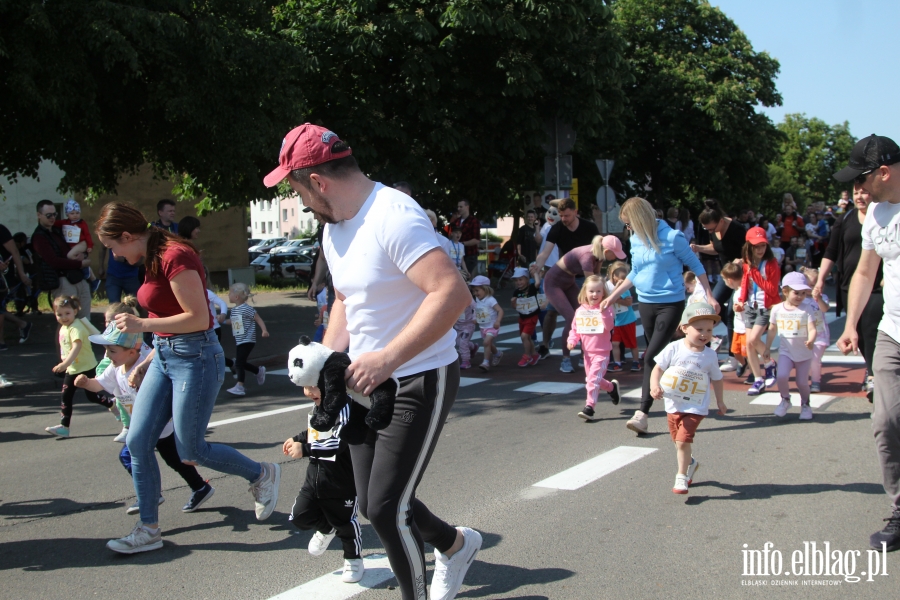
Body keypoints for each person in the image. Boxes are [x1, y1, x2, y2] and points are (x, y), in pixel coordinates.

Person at [265, 122, 481, 600]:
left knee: (385, 507)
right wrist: (323, 363)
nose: (298, 200)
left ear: (316, 181)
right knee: (369, 501)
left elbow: (451, 293)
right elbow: (345, 298)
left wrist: (387, 356)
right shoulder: (334, 227)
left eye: (295, 187)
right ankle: (456, 545)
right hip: (364, 384)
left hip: (420, 376)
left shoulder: (393, 215)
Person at [96, 202, 280, 554]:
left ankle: (261, 473)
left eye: (113, 247)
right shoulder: (151, 255)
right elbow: (165, 314)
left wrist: (140, 325)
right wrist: (147, 361)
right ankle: (148, 529)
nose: (115, 256)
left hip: (195, 357)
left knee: (190, 449)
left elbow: (198, 318)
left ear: (127, 235)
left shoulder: (174, 255)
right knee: (137, 441)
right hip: (166, 356)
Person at [834, 134, 900, 552]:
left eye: (861, 180)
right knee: (886, 423)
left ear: (884, 172)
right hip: (892, 332)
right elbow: (864, 272)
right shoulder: (875, 213)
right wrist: (851, 324)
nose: (856, 189)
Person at [75, 319, 215, 514]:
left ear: (132, 352)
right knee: (174, 460)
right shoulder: (115, 368)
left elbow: (168, 392)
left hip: (158, 425)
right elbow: (98, 385)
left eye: (112, 351)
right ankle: (200, 487)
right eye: (107, 350)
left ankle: (151, 494)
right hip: (146, 425)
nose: (107, 355)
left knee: (132, 455)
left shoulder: (147, 368)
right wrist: (85, 383)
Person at [602, 197, 716, 436]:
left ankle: (642, 413)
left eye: (629, 223)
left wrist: (709, 294)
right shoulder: (635, 239)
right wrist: (613, 296)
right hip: (645, 302)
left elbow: (696, 265)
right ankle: (678, 391)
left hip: (670, 303)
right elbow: (636, 271)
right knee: (659, 358)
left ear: (640, 219)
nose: (628, 229)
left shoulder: (673, 237)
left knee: (650, 357)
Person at [285, 385, 365, 584]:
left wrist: (304, 448)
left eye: (313, 387)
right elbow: (315, 431)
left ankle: (353, 560)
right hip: (315, 479)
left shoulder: (345, 406)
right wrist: (297, 438)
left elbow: (339, 441)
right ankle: (326, 527)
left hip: (342, 481)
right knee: (299, 516)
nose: (309, 392)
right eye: (305, 386)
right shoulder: (320, 406)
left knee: (345, 523)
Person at [650, 302, 726, 495]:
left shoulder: (709, 355)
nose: (705, 334)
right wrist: (654, 386)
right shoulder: (674, 349)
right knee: (677, 442)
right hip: (673, 403)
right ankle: (691, 463)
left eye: (709, 330)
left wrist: (720, 401)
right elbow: (657, 368)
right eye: (699, 329)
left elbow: (717, 379)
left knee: (683, 441)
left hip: (696, 406)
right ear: (684, 328)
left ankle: (681, 476)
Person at [814, 184, 883, 399]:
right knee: (859, 332)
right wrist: (820, 280)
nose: (860, 197)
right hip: (848, 285)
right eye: (856, 193)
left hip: (877, 285)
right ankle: (872, 368)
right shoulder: (845, 220)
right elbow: (832, 251)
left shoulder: (883, 216)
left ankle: (873, 376)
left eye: (864, 192)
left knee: (870, 328)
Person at [535, 234, 626, 373]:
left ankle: (586, 354)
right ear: (607, 251)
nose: (616, 258)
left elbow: (597, 280)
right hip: (553, 284)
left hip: (568, 282)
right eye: (615, 254)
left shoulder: (599, 256)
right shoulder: (587, 256)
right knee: (573, 318)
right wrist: (610, 296)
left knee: (586, 315)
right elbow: (592, 285)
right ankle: (565, 358)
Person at [44, 296, 116, 437]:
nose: (64, 317)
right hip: (73, 369)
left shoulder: (76, 327)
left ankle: (112, 404)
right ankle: (64, 427)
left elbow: (77, 347)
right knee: (66, 397)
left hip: (86, 368)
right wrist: (65, 363)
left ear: (75, 311)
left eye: (67, 313)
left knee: (92, 396)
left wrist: (64, 364)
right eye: (59, 314)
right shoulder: (64, 327)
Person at [733, 227, 781, 396]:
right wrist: (741, 301)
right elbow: (746, 282)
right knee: (749, 345)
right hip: (750, 307)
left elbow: (772, 290)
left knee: (754, 339)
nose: (760, 249)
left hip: (766, 307)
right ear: (749, 246)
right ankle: (758, 379)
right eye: (756, 246)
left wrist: (755, 273)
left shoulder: (771, 263)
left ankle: (769, 362)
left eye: (763, 246)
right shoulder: (747, 263)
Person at [694, 198, 747, 348]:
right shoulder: (714, 230)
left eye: (711, 229)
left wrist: (741, 260)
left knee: (731, 312)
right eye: (707, 230)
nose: (710, 232)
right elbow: (717, 248)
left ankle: (735, 352)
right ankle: (735, 342)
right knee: (714, 304)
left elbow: (752, 252)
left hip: (741, 276)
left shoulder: (737, 229)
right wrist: (699, 248)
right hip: (727, 275)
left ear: (721, 221)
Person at [764, 272, 817, 420]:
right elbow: (772, 329)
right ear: (785, 291)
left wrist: (811, 340)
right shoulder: (777, 309)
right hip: (786, 351)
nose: (800, 296)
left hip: (804, 353)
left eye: (803, 293)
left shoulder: (807, 308)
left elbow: (813, 328)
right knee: (781, 376)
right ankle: (785, 399)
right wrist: (767, 347)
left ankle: (805, 404)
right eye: (796, 293)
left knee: (802, 382)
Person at [567, 275, 619, 420]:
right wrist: (572, 340)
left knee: (592, 379)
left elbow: (609, 326)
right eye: (591, 291)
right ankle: (611, 388)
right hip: (587, 353)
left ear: (603, 293)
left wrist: (602, 312)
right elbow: (575, 329)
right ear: (585, 292)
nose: (594, 295)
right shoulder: (580, 310)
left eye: (598, 291)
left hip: (602, 352)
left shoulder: (606, 308)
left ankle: (589, 407)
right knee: (592, 378)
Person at [32, 200, 92, 319]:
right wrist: (79, 263)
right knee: (67, 321)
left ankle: (84, 338)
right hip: (61, 281)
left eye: (55, 214)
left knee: (85, 320)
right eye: (48, 215)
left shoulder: (58, 230)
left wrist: (83, 254)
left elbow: (74, 246)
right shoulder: (39, 237)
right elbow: (54, 261)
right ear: (39, 215)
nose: (52, 218)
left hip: (77, 277)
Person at [224, 282, 269, 396]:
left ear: (237, 297)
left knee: (238, 363)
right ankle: (258, 371)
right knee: (241, 362)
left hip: (247, 339)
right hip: (240, 340)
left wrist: (264, 330)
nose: (228, 295)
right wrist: (222, 321)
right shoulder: (235, 310)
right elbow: (234, 322)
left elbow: (258, 318)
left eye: (230, 293)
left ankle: (240, 386)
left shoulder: (246, 309)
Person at [54, 199, 100, 292]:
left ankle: (85, 268)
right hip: (72, 246)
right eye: (72, 213)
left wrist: (90, 245)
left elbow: (87, 234)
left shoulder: (82, 223)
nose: (75, 215)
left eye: (77, 213)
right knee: (75, 258)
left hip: (81, 243)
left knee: (69, 256)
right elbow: (54, 223)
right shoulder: (64, 222)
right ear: (67, 214)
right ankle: (93, 279)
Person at [0, 223, 33, 350]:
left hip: (3, 277)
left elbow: (14, 252)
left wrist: (22, 274)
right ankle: (22, 324)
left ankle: (1, 342)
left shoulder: (1, 230)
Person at [534, 206, 561, 358]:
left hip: (561, 272)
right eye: (549, 212)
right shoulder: (546, 226)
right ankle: (545, 343)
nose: (550, 216)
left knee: (572, 312)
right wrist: (539, 266)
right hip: (547, 271)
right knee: (549, 310)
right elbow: (542, 246)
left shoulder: (563, 229)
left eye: (555, 213)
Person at [606, 261, 640, 373]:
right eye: (620, 277)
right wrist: (616, 297)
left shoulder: (625, 289)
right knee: (615, 343)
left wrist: (616, 298)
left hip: (627, 320)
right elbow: (609, 298)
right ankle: (617, 363)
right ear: (613, 275)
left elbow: (628, 302)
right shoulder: (608, 286)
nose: (621, 281)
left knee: (631, 343)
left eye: (625, 278)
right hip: (616, 321)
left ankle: (636, 362)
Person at [801, 267, 829, 393]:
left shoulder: (822, 297)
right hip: (803, 334)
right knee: (803, 359)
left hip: (819, 334)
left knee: (815, 359)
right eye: (808, 286)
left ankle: (816, 381)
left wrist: (819, 298)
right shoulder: (799, 299)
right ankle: (803, 379)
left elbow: (824, 309)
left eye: (813, 285)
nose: (810, 289)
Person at [718, 263, 749, 379]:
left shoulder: (743, 291)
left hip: (745, 327)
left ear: (730, 281)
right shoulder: (737, 291)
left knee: (747, 350)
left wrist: (741, 307)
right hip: (737, 327)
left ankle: (754, 370)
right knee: (735, 350)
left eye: (725, 280)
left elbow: (749, 305)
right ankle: (744, 363)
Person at [469, 275, 503, 371]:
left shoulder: (490, 300)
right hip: (483, 326)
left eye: (477, 290)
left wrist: (498, 321)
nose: (475, 293)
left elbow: (500, 310)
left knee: (486, 342)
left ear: (485, 289)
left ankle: (486, 362)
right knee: (488, 344)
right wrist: (475, 317)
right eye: (474, 291)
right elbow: (477, 309)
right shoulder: (478, 300)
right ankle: (497, 354)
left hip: (492, 326)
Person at [510, 267, 541, 367]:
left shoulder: (531, 288)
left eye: (521, 279)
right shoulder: (516, 292)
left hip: (532, 316)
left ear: (527, 279)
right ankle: (534, 355)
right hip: (522, 317)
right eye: (516, 280)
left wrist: (535, 273)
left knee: (524, 336)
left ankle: (527, 356)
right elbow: (515, 307)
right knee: (526, 338)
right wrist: (513, 302)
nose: (518, 282)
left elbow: (537, 283)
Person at [449, 199, 480, 276]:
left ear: (467, 207)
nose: (458, 209)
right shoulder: (456, 221)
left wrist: (461, 244)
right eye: (458, 207)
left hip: (469, 255)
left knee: (466, 277)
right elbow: (450, 234)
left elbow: (476, 240)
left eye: (461, 207)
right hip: (457, 254)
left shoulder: (474, 221)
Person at [454, 296, 478, 369]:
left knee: (463, 343)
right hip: (458, 326)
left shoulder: (467, 297)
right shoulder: (451, 298)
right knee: (458, 342)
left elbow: (475, 307)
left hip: (468, 325)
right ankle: (473, 347)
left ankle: (466, 361)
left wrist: (475, 317)